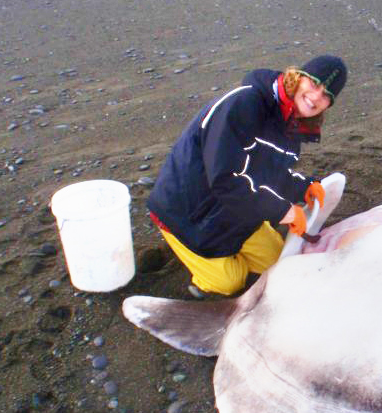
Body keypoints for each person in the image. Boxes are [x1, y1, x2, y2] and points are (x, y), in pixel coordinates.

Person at [147, 55, 348, 298]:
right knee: (230, 281)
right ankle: (199, 269)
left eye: (327, 95)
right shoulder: (245, 103)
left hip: (234, 211)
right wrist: (281, 211)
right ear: (299, 77)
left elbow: (267, 170)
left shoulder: (294, 123)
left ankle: (222, 254)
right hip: (188, 212)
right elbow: (224, 179)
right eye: (315, 84)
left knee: (277, 262)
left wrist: (301, 187)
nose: (316, 97)